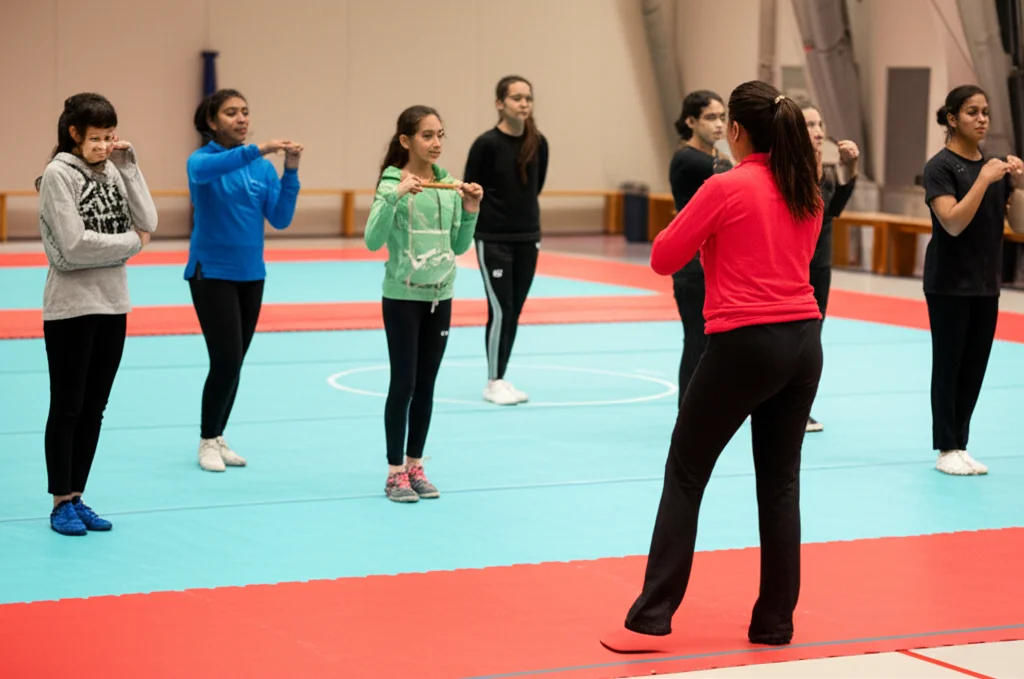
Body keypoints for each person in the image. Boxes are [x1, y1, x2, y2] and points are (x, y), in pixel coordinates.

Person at [600, 80, 824, 652]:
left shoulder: (726, 186)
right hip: (803, 343)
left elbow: (661, 257)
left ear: (737, 131)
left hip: (746, 344)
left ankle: (652, 614)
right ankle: (775, 624)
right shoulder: (807, 188)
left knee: (686, 472)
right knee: (780, 485)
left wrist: (709, 239)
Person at [35, 93, 158, 535]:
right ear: (74, 134)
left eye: (110, 137)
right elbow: (73, 245)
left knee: (95, 408)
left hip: (113, 303)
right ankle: (59, 502)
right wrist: (131, 245)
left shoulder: (114, 169)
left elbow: (149, 220)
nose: (105, 145)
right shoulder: (57, 175)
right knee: (67, 407)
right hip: (70, 308)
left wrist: (129, 167)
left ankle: (78, 496)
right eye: (97, 138)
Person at [365, 105, 483, 503]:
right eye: (427, 136)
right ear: (406, 141)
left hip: (441, 297)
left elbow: (460, 246)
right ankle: (394, 471)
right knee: (404, 383)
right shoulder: (391, 182)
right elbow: (372, 239)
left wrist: (470, 211)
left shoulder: (449, 188)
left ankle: (416, 464)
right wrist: (394, 197)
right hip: (402, 297)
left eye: (440, 135)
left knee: (427, 385)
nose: (436, 144)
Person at [185, 88, 303, 472]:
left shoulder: (261, 169)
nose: (241, 119)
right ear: (212, 121)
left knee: (235, 363)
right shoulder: (201, 161)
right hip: (212, 272)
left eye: (246, 112)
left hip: (252, 274)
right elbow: (209, 171)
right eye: (232, 112)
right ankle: (206, 440)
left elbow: (281, 219)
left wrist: (290, 172)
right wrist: (262, 148)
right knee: (225, 360)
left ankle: (219, 435)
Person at [922, 85, 1024, 476]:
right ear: (952, 119)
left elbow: (1016, 225)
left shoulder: (994, 168)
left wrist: (1018, 183)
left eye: (986, 112)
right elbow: (952, 221)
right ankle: (945, 445)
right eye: (972, 112)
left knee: (975, 365)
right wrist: (985, 179)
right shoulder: (941, 167)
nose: (982, 119)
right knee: (949, 363)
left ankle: (961, 443)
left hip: (986, 282)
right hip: (948, 282)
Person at [464, 75, 548, 405]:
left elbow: (535, 186)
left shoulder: (538, 143)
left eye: (528, 98)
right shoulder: (486, 144)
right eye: (516, 98)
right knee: (501, 309)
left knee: (515, 310)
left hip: (527, 236)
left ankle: (502, 375)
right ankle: (493, 380)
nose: (524, 104)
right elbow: (470, 188)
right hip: (493, 238)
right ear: (501, 103)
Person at [667, 90, 732, 407]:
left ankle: (705, 405)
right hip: (692, 265)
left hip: (715, 262)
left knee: (713, 341)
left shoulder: (717, 161)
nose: (719, 124)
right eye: (710, 117)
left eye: (722, 117)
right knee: (697, 338)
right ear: (690, 121)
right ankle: (687, 409)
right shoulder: (689, 160)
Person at [799, 101, 860, 432]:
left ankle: (800, 408)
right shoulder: (785, 173)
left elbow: (833, 210)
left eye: (820, 124)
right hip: (788, 270)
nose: (819, 131)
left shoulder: (823, 172)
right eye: (810, 125)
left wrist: (850, 167)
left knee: (811, 340)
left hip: (818, 267)